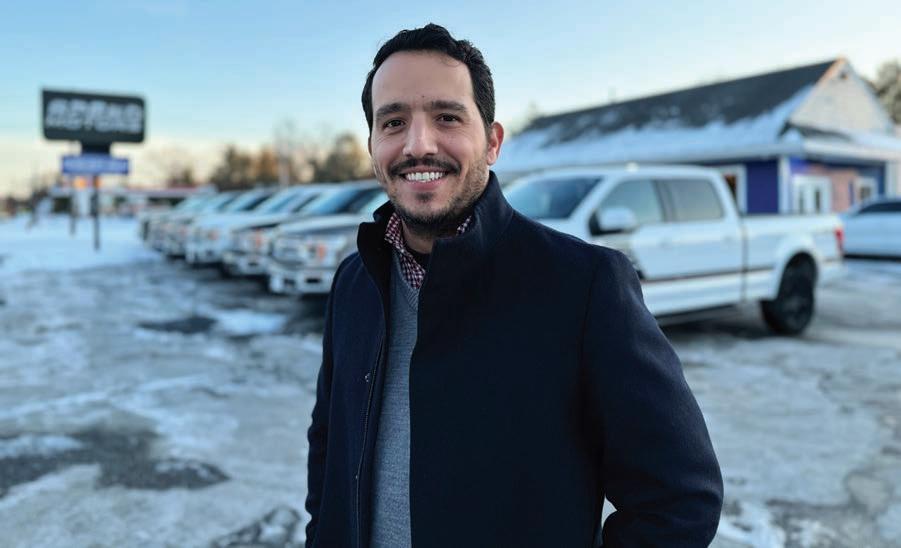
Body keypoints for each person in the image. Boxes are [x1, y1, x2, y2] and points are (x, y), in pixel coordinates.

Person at [305, 23, 723, 548]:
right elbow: (329, 450)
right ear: (372, 147)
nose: (418, 144)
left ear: (492, 142)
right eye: (393, 122)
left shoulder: (584, 287)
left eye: (447, 117)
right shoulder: (355, 282)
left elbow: (679, 501)